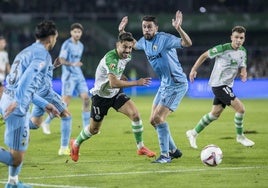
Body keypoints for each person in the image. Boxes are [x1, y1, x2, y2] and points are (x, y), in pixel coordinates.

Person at [70, 32, 156, 162]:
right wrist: (136, 82)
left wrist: (122, 31)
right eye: (124, 47)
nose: (127, 51)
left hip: (115, 94)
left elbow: (116, 77)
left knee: (135, 115)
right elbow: (114, 83)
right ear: (117, 45)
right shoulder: (111, 58)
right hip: (101, 97)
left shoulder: (126, 55)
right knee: (94, 129)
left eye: (129, 48)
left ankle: (141, 147)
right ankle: (76, 143)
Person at [119, 10, 192, 163]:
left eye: (150, 27)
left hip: (176, 84)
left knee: (159, 118)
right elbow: (132, 44)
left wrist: (179, 28)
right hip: (165, 84)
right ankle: (173, 150)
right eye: (144, 27)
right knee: (153, 120)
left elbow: (187, 43)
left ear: (156, 28)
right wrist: (122, 31)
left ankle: (165, 156)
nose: (147, 30)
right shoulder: (144, 42)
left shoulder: (165, 39)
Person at [0, 20, 60, 188]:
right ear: (50, 38)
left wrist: (45, 104)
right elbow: (28, 78)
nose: (55, 40)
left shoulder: (25, 51)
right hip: (16, 105)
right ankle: (12, 184)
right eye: (55, 37)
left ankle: (13, 182)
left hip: (7, 98)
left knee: (17, 146)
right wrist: (17, 102)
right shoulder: (42, 55)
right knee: (16, 158)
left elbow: (26, 84)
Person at [186, 26, 255, 149]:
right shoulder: (222, 49)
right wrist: (193, 70)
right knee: (241, 109)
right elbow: (204, 55)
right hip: (218, 85)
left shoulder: (243, 51)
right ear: (231, 38)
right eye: (236, 37)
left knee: (214, 114)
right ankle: (240, 137)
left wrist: (243, 72)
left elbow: (242, 64)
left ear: (244, 39)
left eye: (241, 38)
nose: (238, 40)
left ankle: (193, 133)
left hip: (227, 85)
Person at [41, 23, 91, 155]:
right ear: (71, 33)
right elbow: (62, 59)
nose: (77, 34)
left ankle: (87, 126)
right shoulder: (67, 44)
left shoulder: (80, 46)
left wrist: (76, 65)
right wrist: (72, 63)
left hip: (78, 74)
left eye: (79, 32)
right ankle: (46, 122)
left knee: (86, 99)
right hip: (68, 76)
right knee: (64, 104)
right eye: (75, 32)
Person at [29, 57, 71, 156]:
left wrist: (53, 66)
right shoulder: (40, 53)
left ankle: (18, 122)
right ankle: (64, 148)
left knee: (35, 124)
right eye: (55, 39)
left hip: (38, 94)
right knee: (66, 115)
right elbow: (38, 71)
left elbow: (43, 71)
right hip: (46, 93)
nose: (55, 40)